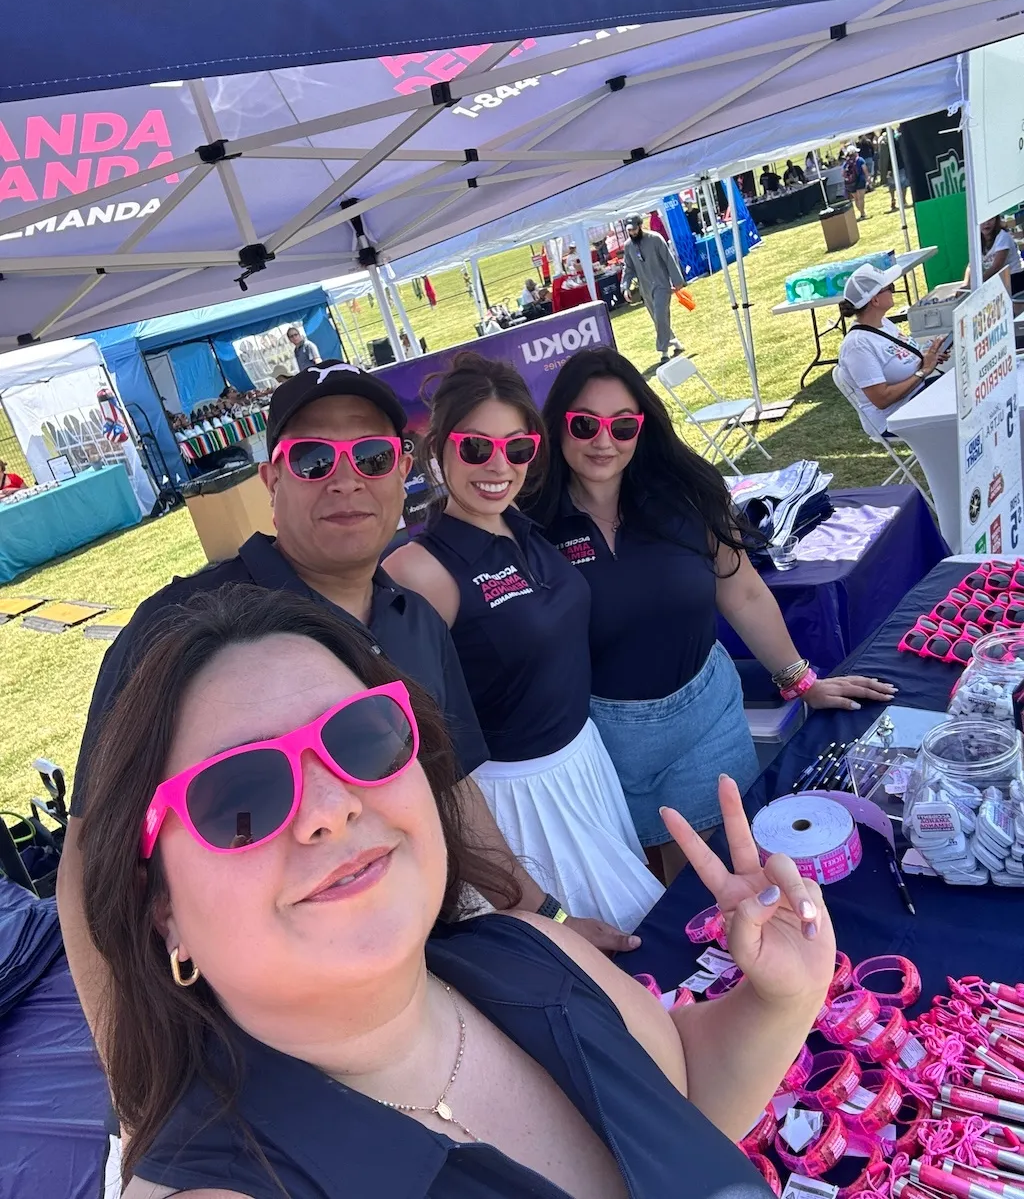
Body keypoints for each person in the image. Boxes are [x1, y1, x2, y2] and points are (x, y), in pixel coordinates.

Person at [79, 582, 834, 1198]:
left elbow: (680, 1105)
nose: (331, 807)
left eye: (361, 737)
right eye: (240, 795)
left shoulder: (533, 950)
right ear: (164, 910)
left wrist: (780, 996)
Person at [57, 366, 634, 1060]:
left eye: (372, 456)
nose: (346, 479)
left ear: (402, 472)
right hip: (253, 1042)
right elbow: (88, 860)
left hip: (415, 999)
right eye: (312, 459)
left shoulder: (415, 620)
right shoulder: (178, 627)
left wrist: (547, 917)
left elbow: (454, 790)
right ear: (271, 481)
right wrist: (128, 1064)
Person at [529, 347, 898, 882]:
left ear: (643, 428)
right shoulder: (531, 524)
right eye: (584, 424)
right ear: (558, 426)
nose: (604, 441)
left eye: (623, 425)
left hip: (703, 719)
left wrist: (802, 682)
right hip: (600, 738)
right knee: (646, 890)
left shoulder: (685, 496)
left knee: (721, 874)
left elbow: (742, 593)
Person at [384, 353, 663, 930]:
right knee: (612, 943)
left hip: (585, 765)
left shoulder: (526, 527)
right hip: (519, 800)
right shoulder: (420, 571)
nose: (498, 465)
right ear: (439, 449)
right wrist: (536, 905)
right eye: (475, 447)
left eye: (517, 448)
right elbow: (428, 750)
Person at [837, 263, 948, 437]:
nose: (893, 291)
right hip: (894, 417)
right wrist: (924, 371)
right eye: (890, 288)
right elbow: (882, 399)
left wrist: (929, 356)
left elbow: (902, 359)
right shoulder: (857, 346)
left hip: (918, 395)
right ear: (875, 300)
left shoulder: (884, 323)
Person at [619, 214, 687, 364]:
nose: (632, 233)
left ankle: (663, 352)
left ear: (640, 226)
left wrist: (677, 280)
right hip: (645, 288)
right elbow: (628, 268)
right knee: (657, 319)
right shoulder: (628, 246)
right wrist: (625, 287)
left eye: (634, 229)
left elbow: (669, 259)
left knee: (660, 315)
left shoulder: (655, 239)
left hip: (662, 285)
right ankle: (675, 343)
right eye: (630, 230)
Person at [963, 215, 1024, 297]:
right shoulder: (977, 240)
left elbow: (996, 267)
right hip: (996, 281)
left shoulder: (1003, 236)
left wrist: (975, 285)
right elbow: (971, 266)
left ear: (996, 220)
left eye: (990, 219)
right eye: (982, 220)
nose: (986, 223)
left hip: (1014, 279)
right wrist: (964, 285)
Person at [842, 145, 869, 220]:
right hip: (860, 180)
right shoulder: (860, 160)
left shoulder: (846, 162)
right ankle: (862, 214)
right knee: (861, 198)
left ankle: (862, 213)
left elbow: (843, 174)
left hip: (850, 183)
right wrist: (868, 178)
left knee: (856, 199)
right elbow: (865, 170)